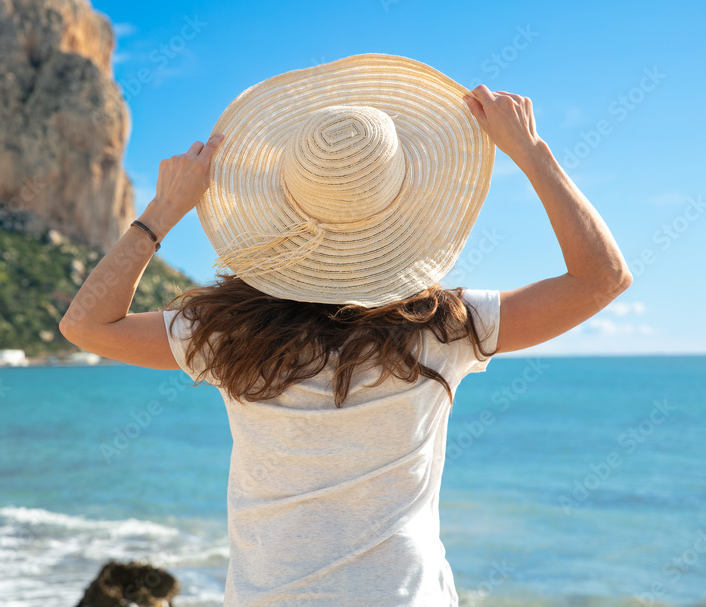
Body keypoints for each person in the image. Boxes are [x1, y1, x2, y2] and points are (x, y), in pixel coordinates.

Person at [59, 54, 631, 606]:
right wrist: (531, 153)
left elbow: (86, 325)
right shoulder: (444, 327)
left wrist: (162, 211)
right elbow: (601, 278)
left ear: (285, 203)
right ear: (405, 210)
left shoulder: (228, 334)